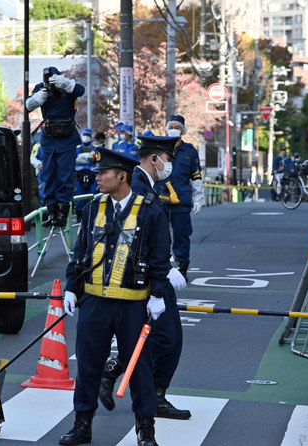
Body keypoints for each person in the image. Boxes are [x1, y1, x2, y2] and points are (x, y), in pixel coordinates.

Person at [60, 147, 171, 446]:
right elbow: (80, 252)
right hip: (94, 301)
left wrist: (157, 293)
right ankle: (82, 426)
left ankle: (145, 431)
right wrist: (72, 287)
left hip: (133, 304)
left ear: (122, 176)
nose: (96, 178)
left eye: (103, 173)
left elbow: (161, 256)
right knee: (87, 366)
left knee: (139, 369)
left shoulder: (150, 209)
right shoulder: (92, 208)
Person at [97, 135, 190, 422]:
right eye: (168, 159)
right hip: (143, 279)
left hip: (151, 272)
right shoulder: (135, 186)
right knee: (166, 338)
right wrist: (164, 269)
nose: (170, 165)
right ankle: (141, 390)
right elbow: (129, 237)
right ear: (155, 159)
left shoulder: (149, 185)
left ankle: (141, 387)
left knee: (163, 338)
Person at [26, 67, 85, 227]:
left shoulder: (68, 87)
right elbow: (28, 106)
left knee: (65, 176)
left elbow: (80, 90)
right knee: (48, 175)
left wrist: (64, 83)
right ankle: (51, 212)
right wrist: (41, 96)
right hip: (49, 137)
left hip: (67, 137)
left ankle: (62, 214)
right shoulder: (41, 88)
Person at [159, 114, 205, 281]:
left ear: (183, 131)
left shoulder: (190, 151)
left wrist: (199, 198)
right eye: (171, 126)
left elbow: (196, 176)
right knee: (160, 236)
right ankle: (161, 268)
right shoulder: (158, 148)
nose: (174, 130)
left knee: (182, 235)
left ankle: (182, 268)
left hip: (182, 200)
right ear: (166, 128)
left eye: (177, 127)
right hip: (160, 199)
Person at [74, 128, 98, 221]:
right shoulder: (77, 148)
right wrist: (87, 158)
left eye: (88, 136)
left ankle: (92, 215)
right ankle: (79, 216)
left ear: (91, 137)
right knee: (79, 196)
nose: (86, 137)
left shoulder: (95, 148)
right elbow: (75, 160)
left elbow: (95, 160)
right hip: (79, 175)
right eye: (85, 135)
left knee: (93, 195)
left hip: (92, 175)